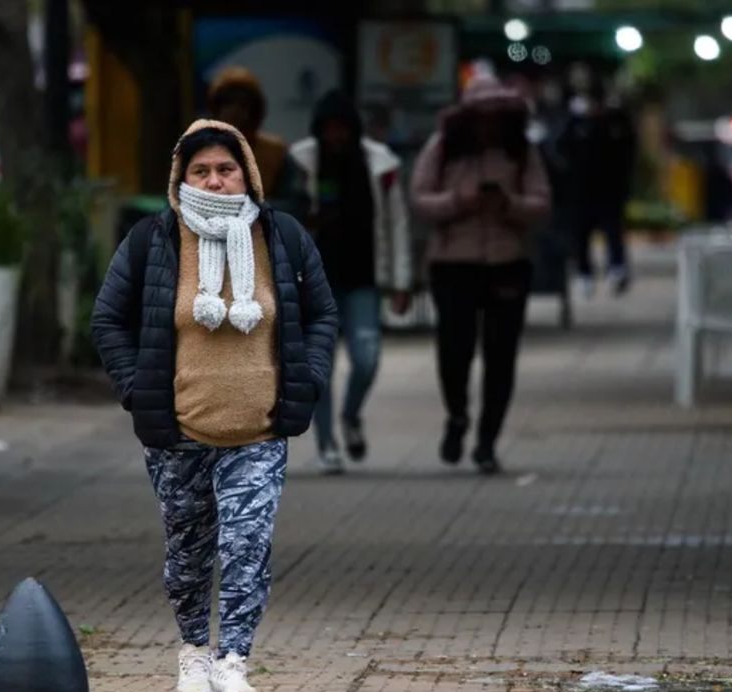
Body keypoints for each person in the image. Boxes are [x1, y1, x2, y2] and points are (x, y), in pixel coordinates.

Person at [91, 120, 337, 692]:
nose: (215, 180)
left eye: (226, 169)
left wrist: (309, 378)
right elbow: (108, 320)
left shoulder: (282, 237)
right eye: (201, 170)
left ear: (247, 173)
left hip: (259, 430)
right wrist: (137, 389)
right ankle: (195, 652)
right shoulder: (155, 240)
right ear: (181, 177)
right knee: (187, 554)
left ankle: (233, 661)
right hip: (178, 433)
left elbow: (323, 314)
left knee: (247, 543)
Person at [410, 73, 550, 474]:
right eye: (482, 116)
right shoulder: (442, 148)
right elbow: (419, 198)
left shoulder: (522, 151)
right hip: (453, 263)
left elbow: (542, 202)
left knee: (501, 355)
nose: (489, 124)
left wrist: (509, 205)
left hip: (508, 262)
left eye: (497, 116)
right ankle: (457, 416)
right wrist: (459, 201)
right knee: (455, 349)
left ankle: (488, 440)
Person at [289, 90, 412, 474]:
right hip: (314, 281)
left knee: (367, 357)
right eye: (329, 129)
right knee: (318, 367)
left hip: (363, 277)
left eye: (342, 128)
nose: (335, 136)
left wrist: (401, 281)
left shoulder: (380, 164)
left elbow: (397, 224)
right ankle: (327, 445)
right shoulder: (302, 161)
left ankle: (351, 415)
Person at [560, 87, 636, 296]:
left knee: (613, 231)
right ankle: (585, 273)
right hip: (581, 191)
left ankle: (617, 268)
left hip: (609, 190)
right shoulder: (575, 124)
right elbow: (563, 149)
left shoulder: (615, 122)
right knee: (581, 234)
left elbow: (628, 152)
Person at [207, 66, 308, 218]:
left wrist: (252, 208)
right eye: (228, 103)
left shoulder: (275, 151)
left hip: (265, 233)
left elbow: (297, 202)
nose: (235, 110)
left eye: (242, 104)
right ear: (216, 108)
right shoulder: (198, 149)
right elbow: (178, 201)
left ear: (255, 110)